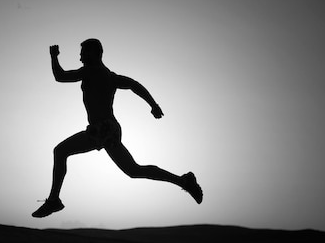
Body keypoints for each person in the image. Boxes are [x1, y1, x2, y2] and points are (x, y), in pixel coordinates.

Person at [33, 39, 202, 218]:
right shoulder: (110, 76)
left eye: (83, 52)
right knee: (134, 170)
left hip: (102, 129)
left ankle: (53, 201)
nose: (80, 56)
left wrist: (54, 56)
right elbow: (133, 84)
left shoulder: (91, 72)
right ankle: (183, 181)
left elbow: (60, 76)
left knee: (60, 151)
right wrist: (153, 104)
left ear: (95, 53)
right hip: (109, 128)